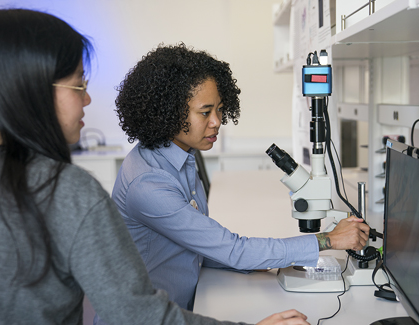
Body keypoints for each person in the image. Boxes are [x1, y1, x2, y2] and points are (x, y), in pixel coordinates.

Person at [0, 9, 310, 325]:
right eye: (79, 83)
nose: (87, 98)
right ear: (30, 88)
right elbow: (137, 315)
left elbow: (205, 247)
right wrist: (319, 243)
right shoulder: (71, 191)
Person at [97, 43, 370, 318]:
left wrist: (259, 259)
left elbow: (201, 248)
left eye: (219, 109)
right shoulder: (148, 183)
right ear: (168, 112)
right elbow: (231, 248)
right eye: (205, 112)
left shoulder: (181, 156)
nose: (217, 121)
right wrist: (328, 240)